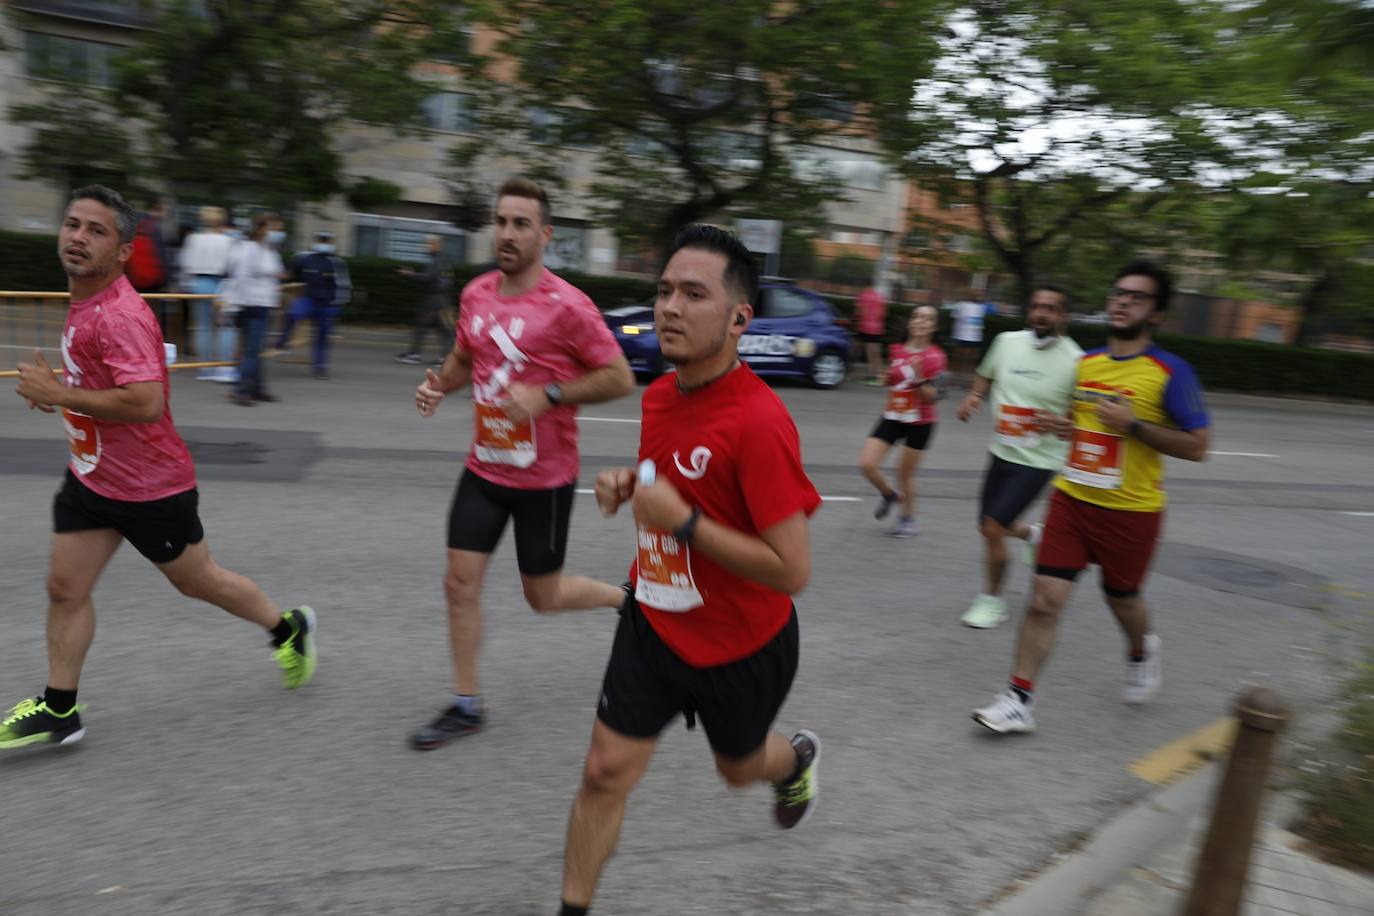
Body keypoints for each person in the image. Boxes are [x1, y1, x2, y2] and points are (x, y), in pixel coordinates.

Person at [557, 225, 822, 916]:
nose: (669, 307)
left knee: (738, 770)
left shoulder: (761, 423)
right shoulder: (659, 396)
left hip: (743, 645)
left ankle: (794, 761)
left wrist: (682, 522)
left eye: (693, 294)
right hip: (653, 619)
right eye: (665, 290)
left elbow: (792, 571)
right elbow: (669, 486)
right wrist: (630, 486)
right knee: (603, 770)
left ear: (739, 318)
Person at [2, 185, 315, 751]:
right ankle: (58, 708)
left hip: (149, 487)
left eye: (96, 231)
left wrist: (63, 393)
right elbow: (101, 387)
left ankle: (287, 628)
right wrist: (62, 391)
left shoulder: (121, 314)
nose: (77, 237)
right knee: (64, 588)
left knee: (201, 583)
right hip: (92, 475)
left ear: (123, 251)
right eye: (73, 224)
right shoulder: (84, 301)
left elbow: (145, 401)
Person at [410, 177, 635, 750]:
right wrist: (439, 385)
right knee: (459, 584)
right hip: (485, 468)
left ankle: (625, 601)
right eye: (502, 222)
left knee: (543, 597)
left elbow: (619, 377)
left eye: (521, 224)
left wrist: (550, 395)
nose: (507, 234)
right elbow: (464, 359)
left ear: (545, 234)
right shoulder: (478, 293)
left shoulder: (568, 306)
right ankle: (466, 705)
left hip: (546, 478)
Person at [972, 260, 1211, 734]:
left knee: (1122, 598)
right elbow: (1088, 426)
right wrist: (1068, 427)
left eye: (1137, 297)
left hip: (1131, 511)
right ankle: (1018, 699)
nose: (1122, 301)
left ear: (1156, 314)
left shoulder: (1170, 372)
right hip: (1073, 499)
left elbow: (1198, 446)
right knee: (1044, 600)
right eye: (1118, 293)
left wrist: (1134, 426)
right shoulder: (1088, 363)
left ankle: (1141, 650)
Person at [957, 285, 1083, 628]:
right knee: (987, 526)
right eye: (1037, 306)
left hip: (1039, 459)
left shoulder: (1076, 361)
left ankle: (992, 601)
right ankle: (1032, 535)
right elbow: (985, 374)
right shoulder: (1006, 342)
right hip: (1001, 449)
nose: (1042, 313)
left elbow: (1081, 420)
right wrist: (974, 396)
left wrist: (1062, 422)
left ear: (1063, 316)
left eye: (1051, 308)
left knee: (993, 527)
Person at [857, 305, 947, 538]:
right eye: (916, 316)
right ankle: (890, 495)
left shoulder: (936, 357)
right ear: (910, 322)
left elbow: (933, 398)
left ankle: (908, 521)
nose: (920, 321)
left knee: (904, 474)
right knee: (867, 465)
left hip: (921, 422)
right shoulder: (896, 349)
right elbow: (893, 380)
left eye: (927, 318)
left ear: (934, 327)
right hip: (894, 415)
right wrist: (885, 378)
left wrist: (918, 379)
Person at [224, 213, 286, 406]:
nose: (278, 233)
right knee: (252, 351)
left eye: (279, 229)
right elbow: (241, 277)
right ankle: (241, 390)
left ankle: (257, 389)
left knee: (256, 350)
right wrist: (237, 305)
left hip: (263, 303)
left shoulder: (269, 250)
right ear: (260, 229)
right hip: (251, 304)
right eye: (273, 228)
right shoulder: (248, 249)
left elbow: (276, 273)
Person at [279, 231, 351, 379]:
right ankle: (282, 342)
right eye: (321, 239)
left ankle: (320, 368)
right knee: (292, 314)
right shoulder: (303, 257)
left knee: (322, 337)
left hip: (328, 304)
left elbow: (344, 286)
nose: (324, 243)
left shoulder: (337, 263)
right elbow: (290, 273)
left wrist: (337, 306)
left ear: (332, 243)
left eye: (327, 240)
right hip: (309, 299)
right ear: (315, 240)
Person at [178, 206, 237, 379]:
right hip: (221, 282)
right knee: (226, 326)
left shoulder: (193, 238)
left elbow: (185, 264)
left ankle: (205, 368)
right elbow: (232, 265)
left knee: (203, 327)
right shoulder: (228, 240)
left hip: (198, 282)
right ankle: (224, 368)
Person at [395, 234, 453, 366]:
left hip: (434, 300)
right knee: (444, 329)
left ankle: (414, 354)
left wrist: (410, 274)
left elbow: (428, 278)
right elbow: (446, 280)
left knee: (421, 325)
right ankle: (445, 358)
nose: (426, 246)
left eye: (428, 244)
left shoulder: (436, 261)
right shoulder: (443, 259)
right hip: (443, 299)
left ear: (435, 245)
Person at [950, 299, 994, 383]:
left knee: (971, 360)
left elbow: (993, 310)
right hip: (961, 336)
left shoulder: (982, 306)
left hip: (975, 338)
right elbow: (954, 319)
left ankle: (967, 380)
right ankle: (955, 379)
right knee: (959, 358)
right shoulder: (961, 305)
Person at [855, 284, 887, 384]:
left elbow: (859, 312)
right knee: (876, 353)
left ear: (865, 285)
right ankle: (880, 376)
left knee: (867, 351)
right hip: (878, 328)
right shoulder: (880, 296)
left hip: (865, 327)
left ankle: (871, 375)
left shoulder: (863, 296)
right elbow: (883, 314)